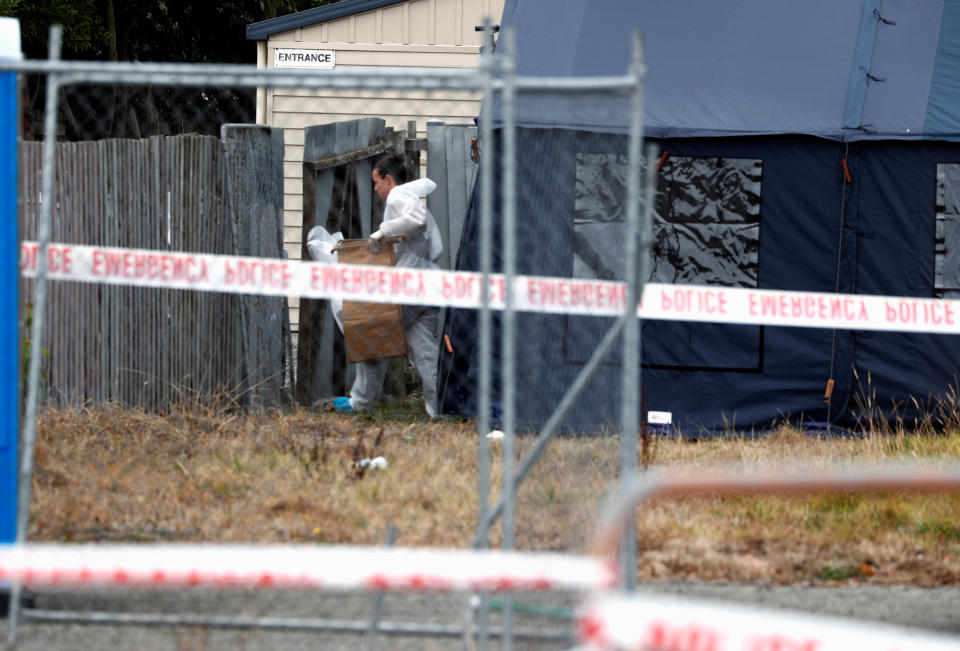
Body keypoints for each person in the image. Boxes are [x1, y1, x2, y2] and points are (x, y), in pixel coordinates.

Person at [333, 153, 443, 417]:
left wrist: (384, 231)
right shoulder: (413, 198)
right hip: (427, 283)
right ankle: (442, 407)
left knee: (369, 330)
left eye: (376, 182)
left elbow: (416, 220)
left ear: (388, 179)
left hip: (408, 281)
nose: (375, 188)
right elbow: (435, 245)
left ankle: (361, 403)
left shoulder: (398, 196)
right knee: (425, 350)